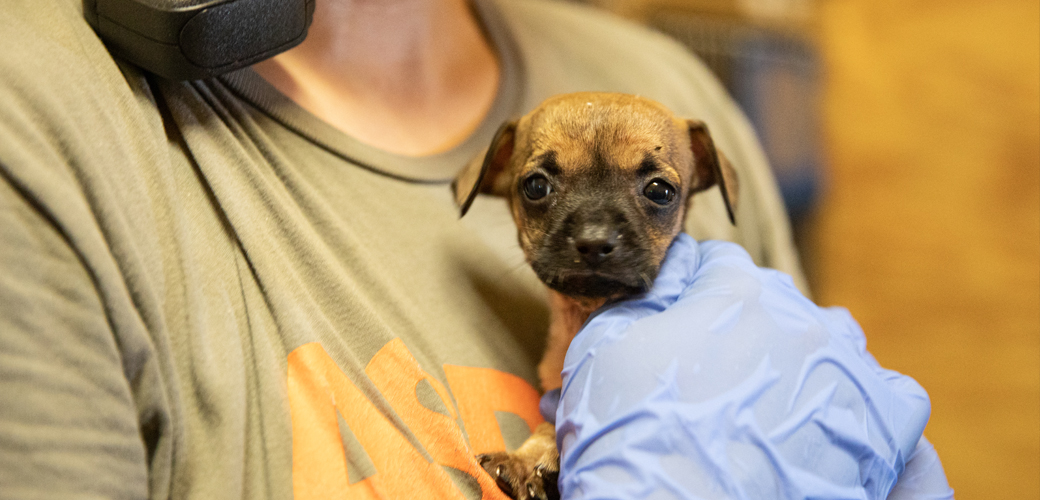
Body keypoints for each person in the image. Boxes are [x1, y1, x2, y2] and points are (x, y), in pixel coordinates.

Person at [0, 0, 949, 498]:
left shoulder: (677, 91)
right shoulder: (42, 118)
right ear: (497, 182)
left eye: (653, 193)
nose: (590, 225)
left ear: (701, 188)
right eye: (543, 188)